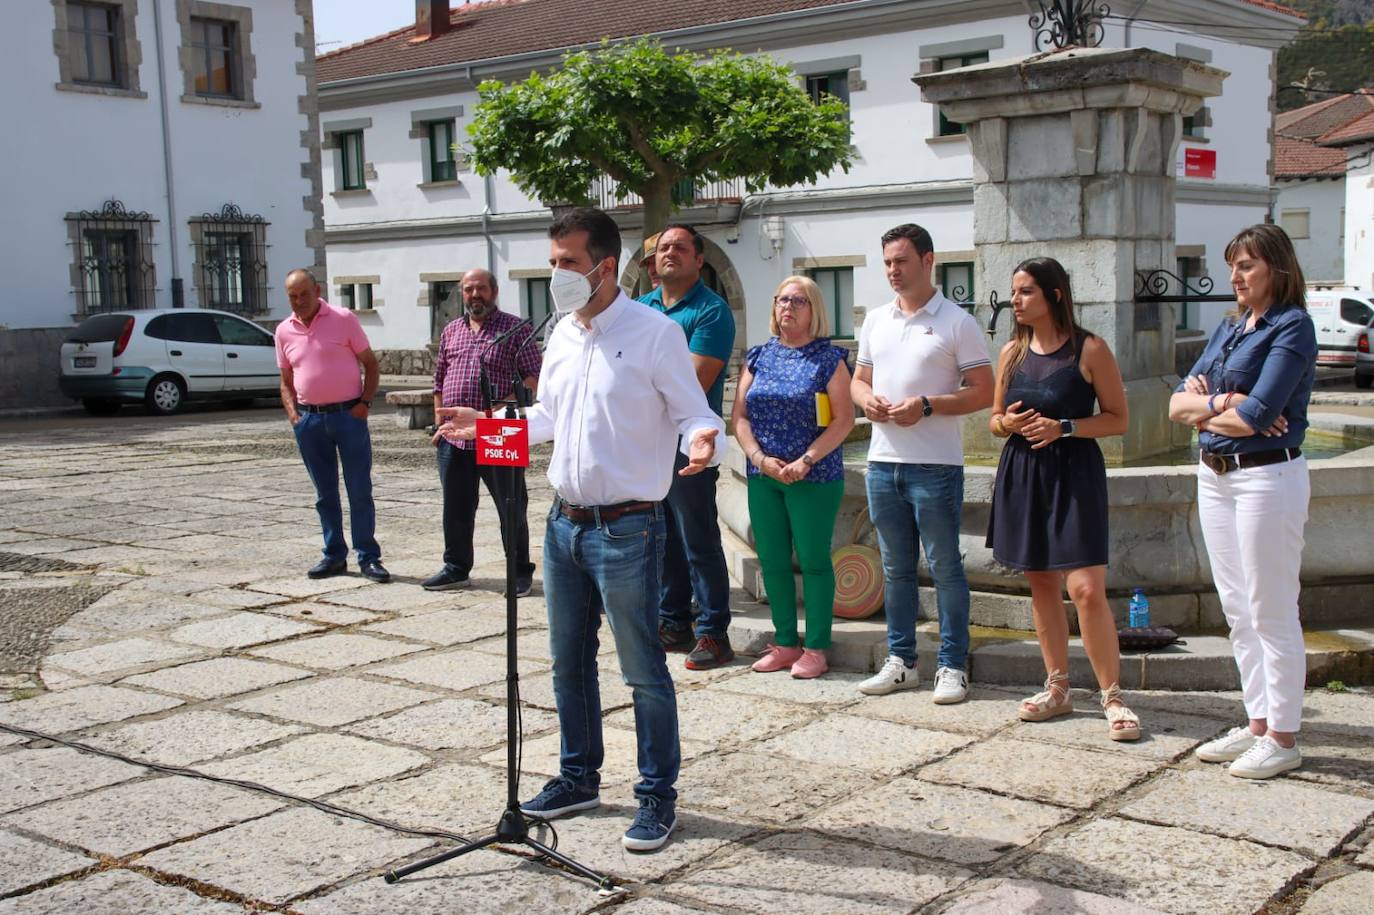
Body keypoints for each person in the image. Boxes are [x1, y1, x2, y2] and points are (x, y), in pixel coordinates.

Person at [436, 208, 724, 852]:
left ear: (604, 266)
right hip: (563, 526)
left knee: (643, 670)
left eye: (568, 262)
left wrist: (705, 441)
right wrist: (483, 427)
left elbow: (694, 412)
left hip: (629, 530)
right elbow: (549, 416)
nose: (558, 274)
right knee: (568, 664)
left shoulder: (655, 334)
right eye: (553, 262)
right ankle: (578, 777)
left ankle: (656, 798)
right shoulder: (563, 334)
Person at [1169, 223, 1317, 779]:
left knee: (1270, 607)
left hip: (1265, 480)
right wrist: (1229, 402)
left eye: (1247, 266)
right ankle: (1257, 723)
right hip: (1217, 475)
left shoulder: (1293, 327)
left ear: (1277, 269)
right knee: (1236, 607)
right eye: (1233, 265)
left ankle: (1283, 736)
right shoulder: (1229, 328)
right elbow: (1174, 406)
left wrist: (1221, 407)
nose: (1235, 275)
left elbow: (1261, 417)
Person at [986, 257, 1140, 742]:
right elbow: (993, 420)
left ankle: (1112, 696)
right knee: (1042, 585)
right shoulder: (1010, 351)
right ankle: (1058, 688)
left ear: (1054, 295)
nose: (1015, 300)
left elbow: (1118, 419)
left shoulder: (1089, 349)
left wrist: (1065, 428)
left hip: (1074, 472)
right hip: (1024, 472)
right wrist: (1006, 424)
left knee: (1087, 589)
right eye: (1014, 291)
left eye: (1025, 291)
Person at [851, 224, 993, 704]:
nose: (892, 270)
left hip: (935, 465)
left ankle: (953, 665)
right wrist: (866, 400)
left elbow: (984, 391)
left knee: (945, 565)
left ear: (928, 261)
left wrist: (926, 405)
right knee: (895, 568)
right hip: (882, 462)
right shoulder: (875, 320)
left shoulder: (957, 322)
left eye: (901, 261)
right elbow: (858, 380)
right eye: (888, 262)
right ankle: (902, 660)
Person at [732, 275, 854, 679]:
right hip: (764, 473)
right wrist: (758, 458)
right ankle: (785, 642)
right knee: (773, 561)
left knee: (815, 560)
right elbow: (740, 417)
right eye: (782, 299)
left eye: (798, 300)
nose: (788, 306)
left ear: (813, 308)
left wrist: (806, 460)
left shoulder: (828, 358)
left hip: (812, 476)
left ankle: (816, 647)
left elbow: (843, 420)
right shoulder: (758, 356)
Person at [638, 224, 737, 670]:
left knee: (697, 537)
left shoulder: (711, 312)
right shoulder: (640, 308)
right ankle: (672, 621)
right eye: (663, 247)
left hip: (690, 442)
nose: (669, 252)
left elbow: (695, 383)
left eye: (680, 246)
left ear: (700, 260)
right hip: (648, 440)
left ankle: (714, 631)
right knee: (662, 539)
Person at [423, 269, 542, 596]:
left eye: (481, 289)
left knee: (511, 506)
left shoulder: (516, 329)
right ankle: (456, 567)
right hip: (454, 436)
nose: (475, 295)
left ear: (494, 291)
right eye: (469, 289)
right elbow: (439, 381)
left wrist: (493, 412)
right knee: (456, 506)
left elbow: (533, 379)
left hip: (500, 429)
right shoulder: (451, 330)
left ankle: (519, 572)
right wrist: (439, 423)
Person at [275, 268, 389, 583]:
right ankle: (333, 554)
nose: (298, 301)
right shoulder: (283, 331)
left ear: (318, 290)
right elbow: (285, 380)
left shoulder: (343, 319)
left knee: (358, 489)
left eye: (304, 294)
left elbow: (370, 363)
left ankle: (368, 557)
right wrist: (293, 415)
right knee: (324, 493)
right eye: (292, 296)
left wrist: (365, 403)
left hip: (347, 417)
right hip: (309, 420)